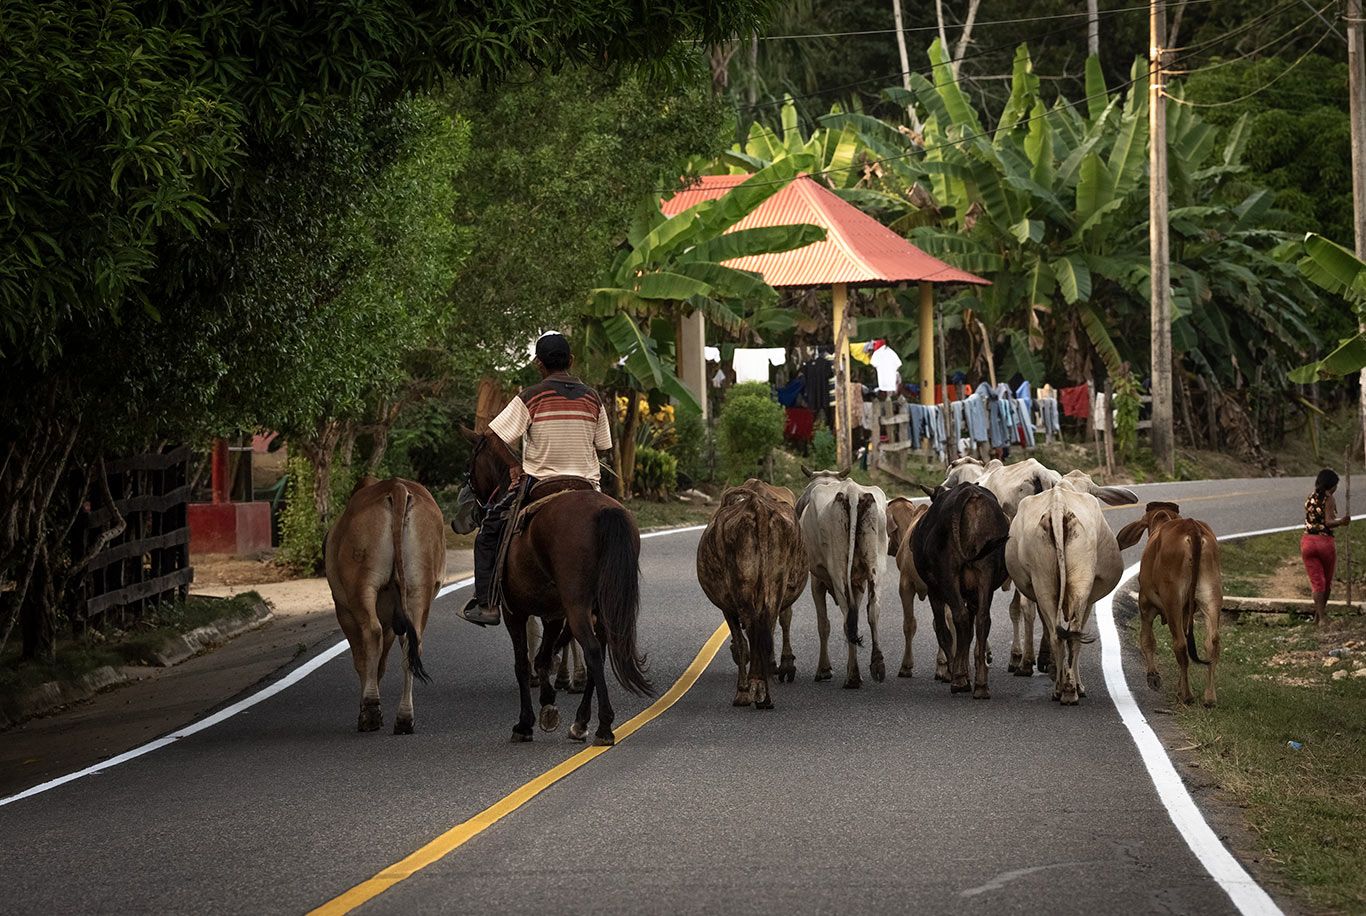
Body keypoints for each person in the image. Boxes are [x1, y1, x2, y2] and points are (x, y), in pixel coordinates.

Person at [461, 332, 613, 626]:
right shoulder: (593, 398)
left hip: (540, 483)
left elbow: (493, 436)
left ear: (538, 365)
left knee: (489, 530)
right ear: (571, 361)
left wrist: (514, 466)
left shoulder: (530, 396)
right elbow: (604, 448)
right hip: (587, 484)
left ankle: (487, 603)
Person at [1302, 467, 1351, 625]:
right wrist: (1342, 522)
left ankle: (1318, 616)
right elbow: (1328, 522)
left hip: (1307, 541)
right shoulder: (1329, 498)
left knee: (1317, 582)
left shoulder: (1310, 497)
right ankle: (1323, 617)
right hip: (1324, 542)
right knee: (1326, 582)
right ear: (1332, 485)